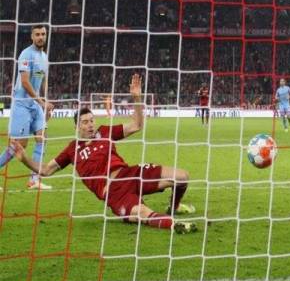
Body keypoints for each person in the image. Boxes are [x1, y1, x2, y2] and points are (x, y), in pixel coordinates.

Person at [12, 74, 197, 233]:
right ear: (77, 126)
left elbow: (136, 125)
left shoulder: (104, 132)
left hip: (130, 174)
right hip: (114, 192)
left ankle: (174, 207)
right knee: (142, 213)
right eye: (85, 122)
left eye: (92, 120)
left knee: (182, 176)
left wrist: (137, 99)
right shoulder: (72, 149)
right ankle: (176, 225)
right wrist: (24, 159)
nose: (90, 124)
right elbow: (45, 170)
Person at [0, 25, 54, 190]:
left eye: (43, 34)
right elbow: (25, 82)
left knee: (42, 137)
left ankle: (34, 179)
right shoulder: (26, 54)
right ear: (32, 36)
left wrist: (46, 101)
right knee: (20, 145)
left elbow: (42, 79)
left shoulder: (44, 57)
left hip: (35, 104)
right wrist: (41, 101)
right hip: (22, 104)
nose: (40, 37)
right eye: (37, 34)